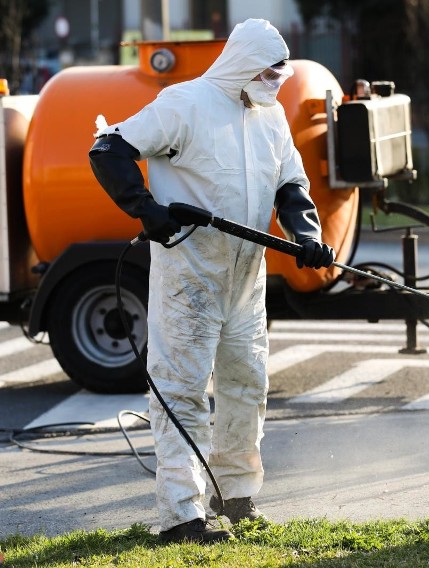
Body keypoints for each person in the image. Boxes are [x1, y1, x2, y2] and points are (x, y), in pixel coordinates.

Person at [88, 19, 334, 543]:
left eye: (280, 73)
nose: (275, 82)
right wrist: (146, 210)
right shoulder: (185, 105)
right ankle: (182, 516)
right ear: (243, 63)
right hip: (190, 276)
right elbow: (109, 150)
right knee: (181, 393)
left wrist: (307, 233)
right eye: (267, 72)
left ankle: (238, 498)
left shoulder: (269, 117)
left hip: (245, 279)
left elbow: (290, 184)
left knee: (247, 385)